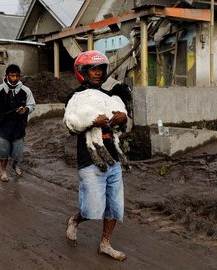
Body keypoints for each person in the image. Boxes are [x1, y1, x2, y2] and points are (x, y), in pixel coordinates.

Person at [64, 50, 132, 261]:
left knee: (114, 204)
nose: (97, 73)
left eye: (100, 69)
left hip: (113, 157)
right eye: (92, 69)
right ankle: (75, 220)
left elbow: (124, 126)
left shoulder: (109, 95)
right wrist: (93, 121)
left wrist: (123, 119)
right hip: (90, 158)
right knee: (93, 206)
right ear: (83, 72)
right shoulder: (74, 97)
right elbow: (72, 126)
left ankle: (105, 244)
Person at [0, 64, 36, 182]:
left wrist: (25, 110)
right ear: (7, 76)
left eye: (17, 76)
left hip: (19, 126)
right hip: (3, 125)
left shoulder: (26, 90)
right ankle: (3, 171)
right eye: (12, 75)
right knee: (3, 150)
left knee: (17, 152)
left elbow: (32, 105)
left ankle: (15, 164)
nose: (15, 78)